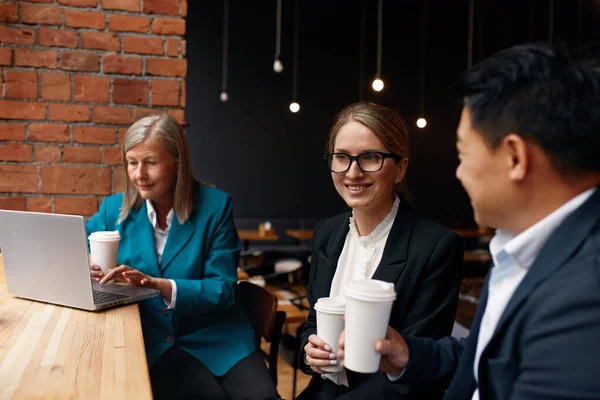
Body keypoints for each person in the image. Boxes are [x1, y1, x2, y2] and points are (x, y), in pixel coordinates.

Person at [348, 43, 600, 399]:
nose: (459, 173)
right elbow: (486, 357)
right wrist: (407, 355)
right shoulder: (521, 250)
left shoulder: (585, 296)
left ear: (515, 157)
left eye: (464, 154)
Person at [86, 114, 278, 400]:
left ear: (178, 162)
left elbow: (223, 290)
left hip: (219, 336)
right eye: (132, 162)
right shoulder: (112, 210)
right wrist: (87, 262)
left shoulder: (216, 207)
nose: (140, 174)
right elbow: (79, 248)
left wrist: (159, 285)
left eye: (151, 162)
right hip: (153, 343)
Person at [297, 102, 464, 400]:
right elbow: (313, 322)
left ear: (400, 168)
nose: (353, 172)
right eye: (342, 157)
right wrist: (310, 353)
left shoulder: (436, 246)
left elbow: (420, 365)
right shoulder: (327, 234)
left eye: (370, 157)